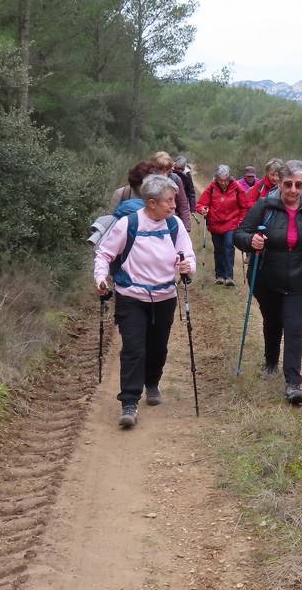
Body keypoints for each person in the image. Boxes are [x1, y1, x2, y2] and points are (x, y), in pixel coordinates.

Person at [94, 175, 196, 428]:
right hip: (131, 297)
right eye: (169, 201)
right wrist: (100, 278)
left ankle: (152, 382)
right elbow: (104, 253)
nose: (174, 206)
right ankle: (129, 401)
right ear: (152, 203)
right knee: (133, 349)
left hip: (164, 297)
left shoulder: (174, 226)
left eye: (174, 201)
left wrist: (187, 266)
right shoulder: (128, 224)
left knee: (158, 347)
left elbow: (188, 255)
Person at [234, 160, 302, 406]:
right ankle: (270, 361)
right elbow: (240, 234)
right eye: (288, 184)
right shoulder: (265, 205)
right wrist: (251, 241)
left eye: (298, 185)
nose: (292, 190)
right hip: (267, 279)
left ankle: (293, 383)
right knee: (272, 321)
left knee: (293, 326)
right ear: (279, 182)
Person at [197, 164, 249, 286]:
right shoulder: (212, 188)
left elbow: (244, 206)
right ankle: (219, 276)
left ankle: (229, 276)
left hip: (231, 222)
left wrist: (241, 220)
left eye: (226, 180)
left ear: (229, 178)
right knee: (218, 249)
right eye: (221, 180)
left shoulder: (237, 187)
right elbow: (200, 204)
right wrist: (203, 209)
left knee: (229, 246)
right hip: (215, 223)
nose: (223, 183)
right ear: (216, 179)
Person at [152, 151, 193, 225]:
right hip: (151, 221)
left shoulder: (175, 179)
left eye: (166, 169)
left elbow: (183, 205)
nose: (163, 173)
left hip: (171, 221)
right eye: (160, 169)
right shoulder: (148, 180)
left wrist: (186, 227)